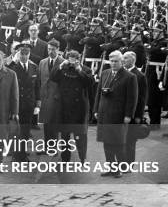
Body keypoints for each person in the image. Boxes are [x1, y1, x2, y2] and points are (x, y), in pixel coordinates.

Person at [94, 50, 137, 178]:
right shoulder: (105, 73)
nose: (113, 63)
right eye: (111, 61)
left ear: (121, 62)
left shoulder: (130, 77)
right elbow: (98, 93)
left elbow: (132, 98)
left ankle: (119, 169)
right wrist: (96, 109)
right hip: (104, 113)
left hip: (118, 115)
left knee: (118, 144)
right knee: (106, 143)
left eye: (116, 61)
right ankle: (111, 168)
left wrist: (128, 115)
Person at [50, 50, 95, 162]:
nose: (72, 61)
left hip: (79, 108)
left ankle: (82, 158)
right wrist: (60, 66)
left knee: (80, 136)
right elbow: (53, 77)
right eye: (70, 58)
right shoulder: (62, 68)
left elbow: (90, 82)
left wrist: (79, 70)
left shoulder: (85, 69)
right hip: (64, 107)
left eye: (74, 58)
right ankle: (65, 159)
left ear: (78, 59)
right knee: (65, 135)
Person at [7, 41, 41, 161]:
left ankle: (22, 152)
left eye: (27, 54)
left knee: (26, 131)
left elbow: (37, 86)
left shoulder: (34, 67)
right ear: (18, 53)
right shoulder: (13, 67)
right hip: (17, 104)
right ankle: (17, 155)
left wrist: (37, 103)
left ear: (29, 54)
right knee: (16, 131)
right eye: (22, 53)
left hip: (29, 104)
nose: (24, 56)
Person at [38, 39, 63, 154]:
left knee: (54, 124)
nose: (50, 51)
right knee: (46, 124)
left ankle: (53, 149)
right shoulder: (42, 62)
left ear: (58, 49)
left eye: (53, 49)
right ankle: (47, 147)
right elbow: (39, 80)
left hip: (57, 98)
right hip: (45, 97)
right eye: (49, 49)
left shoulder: (63, 63)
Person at [123, 51, 148, 166]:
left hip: (133, 113)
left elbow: (142, 98)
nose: (123, 60)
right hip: (121, 112)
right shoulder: (121, 72)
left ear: (133, 60)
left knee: (130, 140)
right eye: (123, 58)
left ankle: (129, 163)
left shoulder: (140, 76)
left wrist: (138, 115)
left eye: (126, 58)